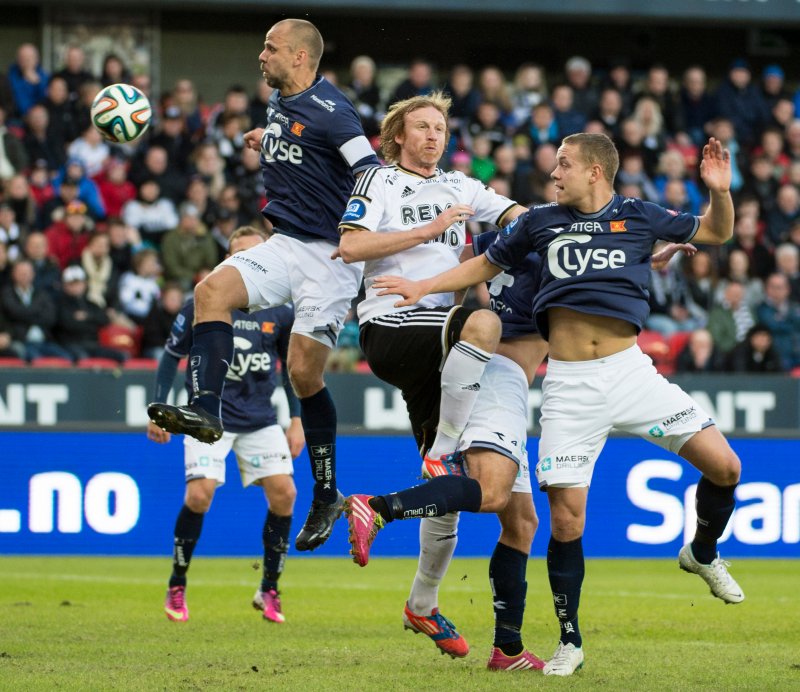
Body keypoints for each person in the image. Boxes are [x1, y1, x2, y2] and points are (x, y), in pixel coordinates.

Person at [372, 133, 743, 676]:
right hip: (569, 384)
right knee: (566, 522)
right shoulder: (539, 221)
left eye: (564, 164)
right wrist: (420, 285)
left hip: (632, 372)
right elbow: (481, 267)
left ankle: (703, 553)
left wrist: (720, 191)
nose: (554, 173)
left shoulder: (640, 215)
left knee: (727, 466)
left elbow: (717, 230)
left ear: (596, 171)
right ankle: (571, 640)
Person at [147, 19, 379, 552]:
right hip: (284, 242)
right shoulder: (280, 104)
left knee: (303, 373)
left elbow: (369, 170)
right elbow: (293, 142)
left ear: (300, 57)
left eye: (270, 48)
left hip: (330, 255)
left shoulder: (334, 111)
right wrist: (265, 138)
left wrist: (364, 234)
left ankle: (326, 495)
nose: (260, 55)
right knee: (210, 293)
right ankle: (207, 409)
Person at [337, 91, 540, 668]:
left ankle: (421, 604)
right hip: (397, 326)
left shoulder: (462, 187)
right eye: (421, 127)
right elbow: (350, 246)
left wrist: (586, 229)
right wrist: (426, 233)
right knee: (483, 320)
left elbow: (519, 219)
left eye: (441, 127)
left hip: (448, 359)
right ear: (398, 135)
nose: (433, 136)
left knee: (447, 497)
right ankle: (443, 450)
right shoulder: (377, 182)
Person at [148, 226, 305, 624]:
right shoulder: (204, 301)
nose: (250, 263)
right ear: (228, 260)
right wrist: (161, 409)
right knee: (199, 496)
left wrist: (297, 420)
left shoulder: (279, 311)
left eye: (257, 254)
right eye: (240, 255)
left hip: (259, 419)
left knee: (285, 494)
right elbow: (170, 357)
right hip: (209, 417)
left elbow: (290, 371)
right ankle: (177, 583)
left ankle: (269, 588)